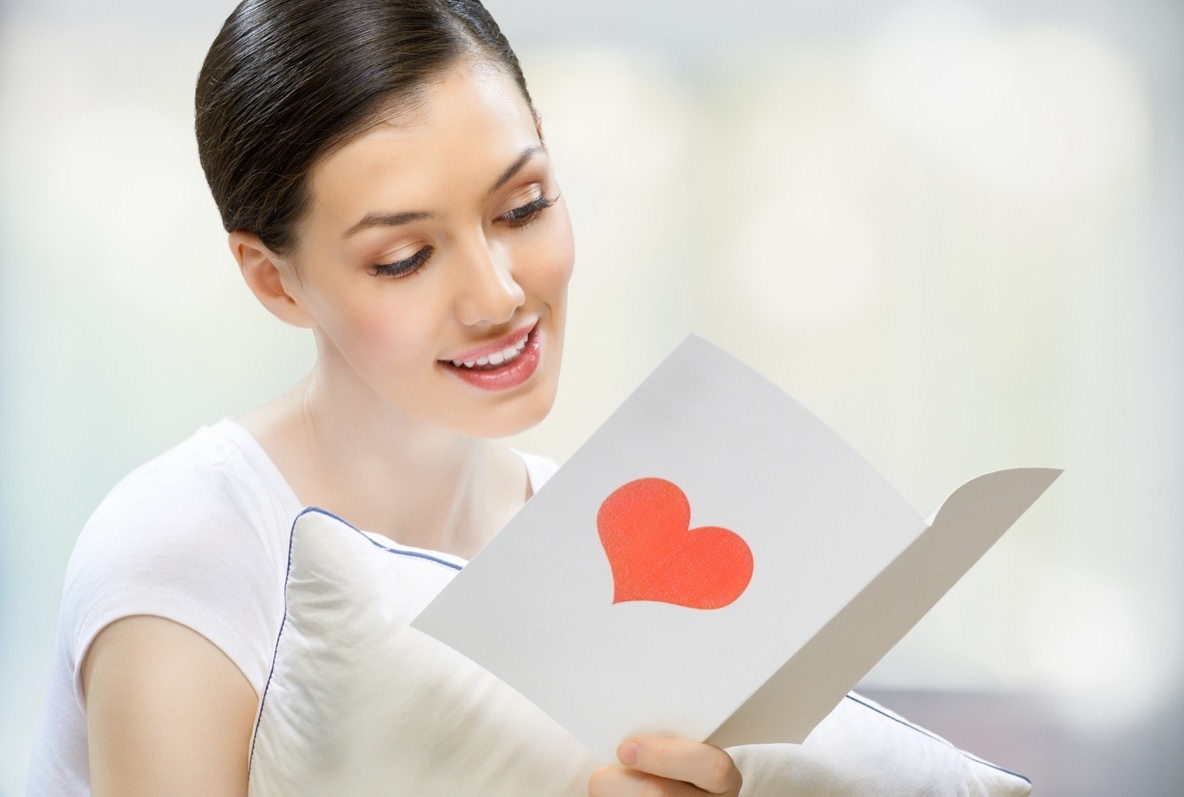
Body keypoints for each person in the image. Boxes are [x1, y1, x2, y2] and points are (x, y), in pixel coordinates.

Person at [26, 0, 743, 794]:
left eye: (523, 207)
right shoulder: (189, 551)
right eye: (404, 258)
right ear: (274, 279)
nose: (498, 295)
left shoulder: (591, 543)